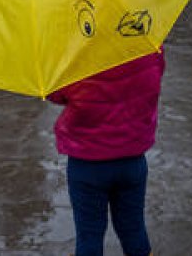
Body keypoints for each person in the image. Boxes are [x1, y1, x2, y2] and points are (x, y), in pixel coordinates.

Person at [48, 52, 166, 256]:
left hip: (87, 164)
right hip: (132, 160)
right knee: (134, 230)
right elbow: (157, 73)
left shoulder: (78, 55)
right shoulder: (146, 47)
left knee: (89, 235)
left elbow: (55, 93)